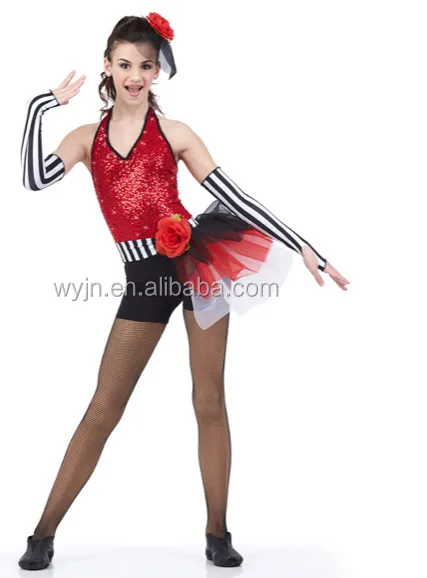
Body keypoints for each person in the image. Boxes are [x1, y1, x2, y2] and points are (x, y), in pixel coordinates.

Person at [18, 12, 350, 571]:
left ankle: (218, 532)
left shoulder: (175, 133)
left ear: (157, 71)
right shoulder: (85, 140)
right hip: (144, 279)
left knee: (208, 399)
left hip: (197, 265)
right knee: (104, 406)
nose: (135, 76)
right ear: (108, 66)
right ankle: (42, 533)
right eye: (125, 64)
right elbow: (33, 178)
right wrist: (40, 105)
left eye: (146, 66)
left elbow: (236, 197)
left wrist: (303, 246)